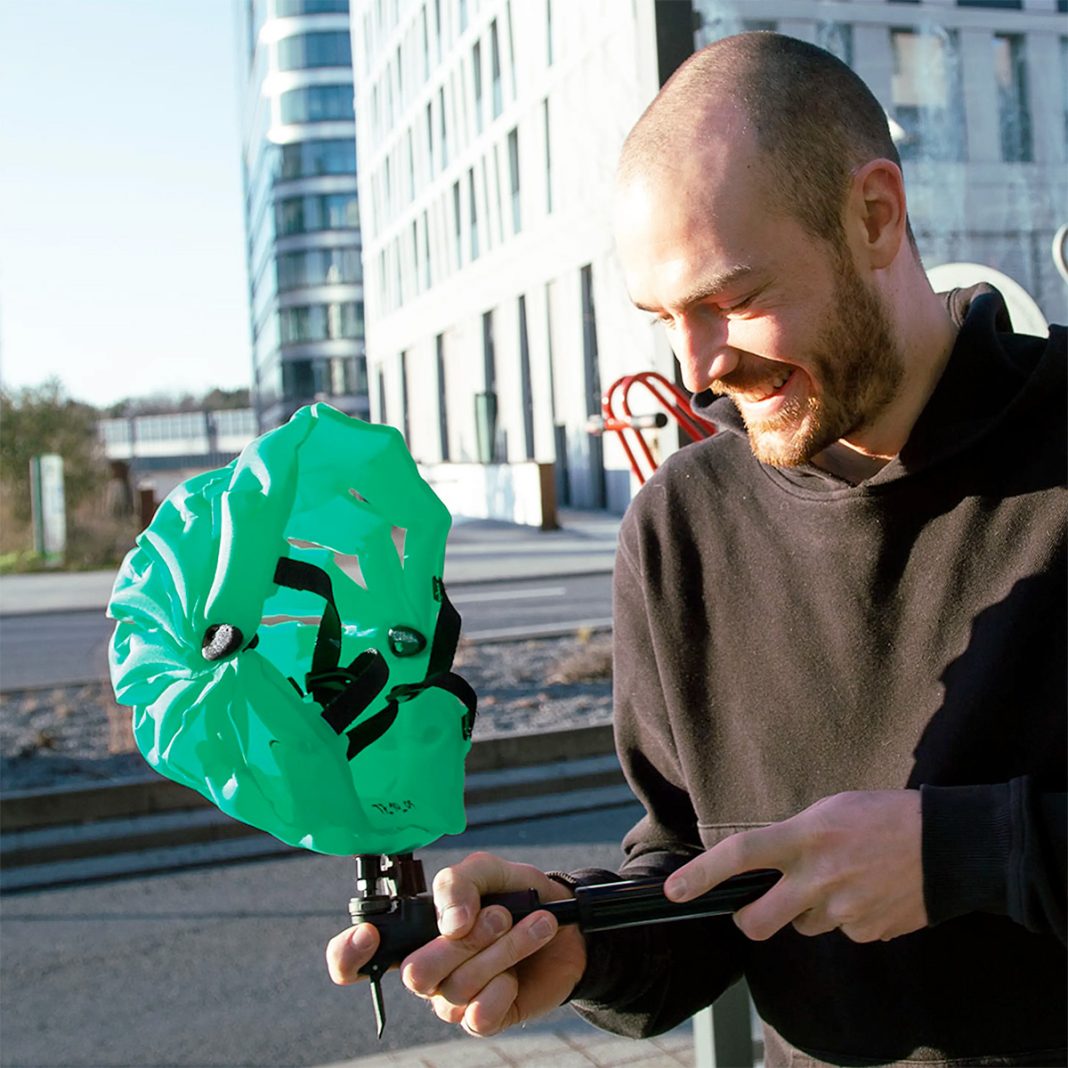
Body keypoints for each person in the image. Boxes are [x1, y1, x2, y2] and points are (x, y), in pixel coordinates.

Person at [327, 32, 1067, 1066]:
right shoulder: (683, 525)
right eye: (666, 317)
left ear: (874, 216)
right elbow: (695, 867)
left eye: (731, 300)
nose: (701, 365)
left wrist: (967, 856)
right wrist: (574, 938)